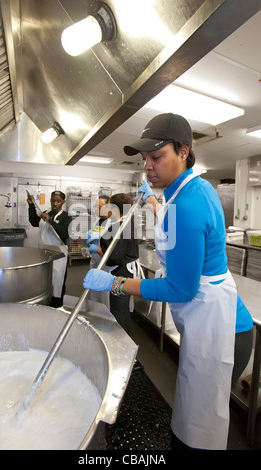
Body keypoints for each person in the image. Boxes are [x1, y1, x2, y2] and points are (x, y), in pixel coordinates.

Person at [83, 113, 253, 450]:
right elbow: (170, 220)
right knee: (193, 413)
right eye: (145, 158)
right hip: (210, 319)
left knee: (196, 428)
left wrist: (114, 284)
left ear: (184, 152)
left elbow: (179, 289)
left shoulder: (189, 204)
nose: (148, 165)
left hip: (220, 329)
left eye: (157, 156)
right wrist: (151, 201)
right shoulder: (190, 188)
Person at [88, 193, 140, 336]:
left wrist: (97, 249)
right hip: (126, 271)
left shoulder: (118, 228)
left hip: (122, 274)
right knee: (121, 309)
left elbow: (113, 258)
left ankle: (121, 344)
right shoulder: (126, 223)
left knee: (119, 311)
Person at [27, 190, 72, 308]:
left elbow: (64, 233)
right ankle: (45, 302)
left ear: (63, 202)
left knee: (58, 281)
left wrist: (50, 221)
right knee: (44, 280)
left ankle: (57, 305)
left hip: (59, 255)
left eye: (58, 201)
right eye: (53, 200)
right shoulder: (46, 212)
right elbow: (34, 222)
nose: (55, 203)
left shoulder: (66, 217)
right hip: (44, 253)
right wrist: (31, 205)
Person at [85, 195, 111, 306]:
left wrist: (97, 239)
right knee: (94, 293)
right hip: (95, 261)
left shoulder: (112, 223)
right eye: (95, 207)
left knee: (105, 296)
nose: (96, 209)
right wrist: (90, 240)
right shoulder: (98, 221)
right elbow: (95, 237)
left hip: (106, 265)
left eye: (99, 207)